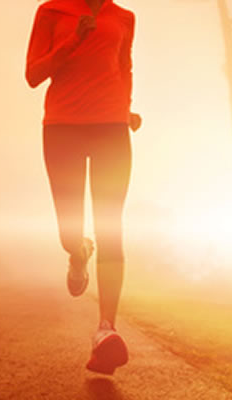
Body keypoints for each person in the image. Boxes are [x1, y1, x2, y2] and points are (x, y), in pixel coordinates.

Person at [25, 0, 141, 375]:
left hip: (111, 127)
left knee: (112, 227)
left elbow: (123, 68)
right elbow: (33, 74)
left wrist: (125, 108)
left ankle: (105, 331)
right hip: (62, 127)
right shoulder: (51, 12)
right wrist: (73, 40)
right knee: (68, 232)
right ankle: (78, 253)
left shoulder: (123, 17)